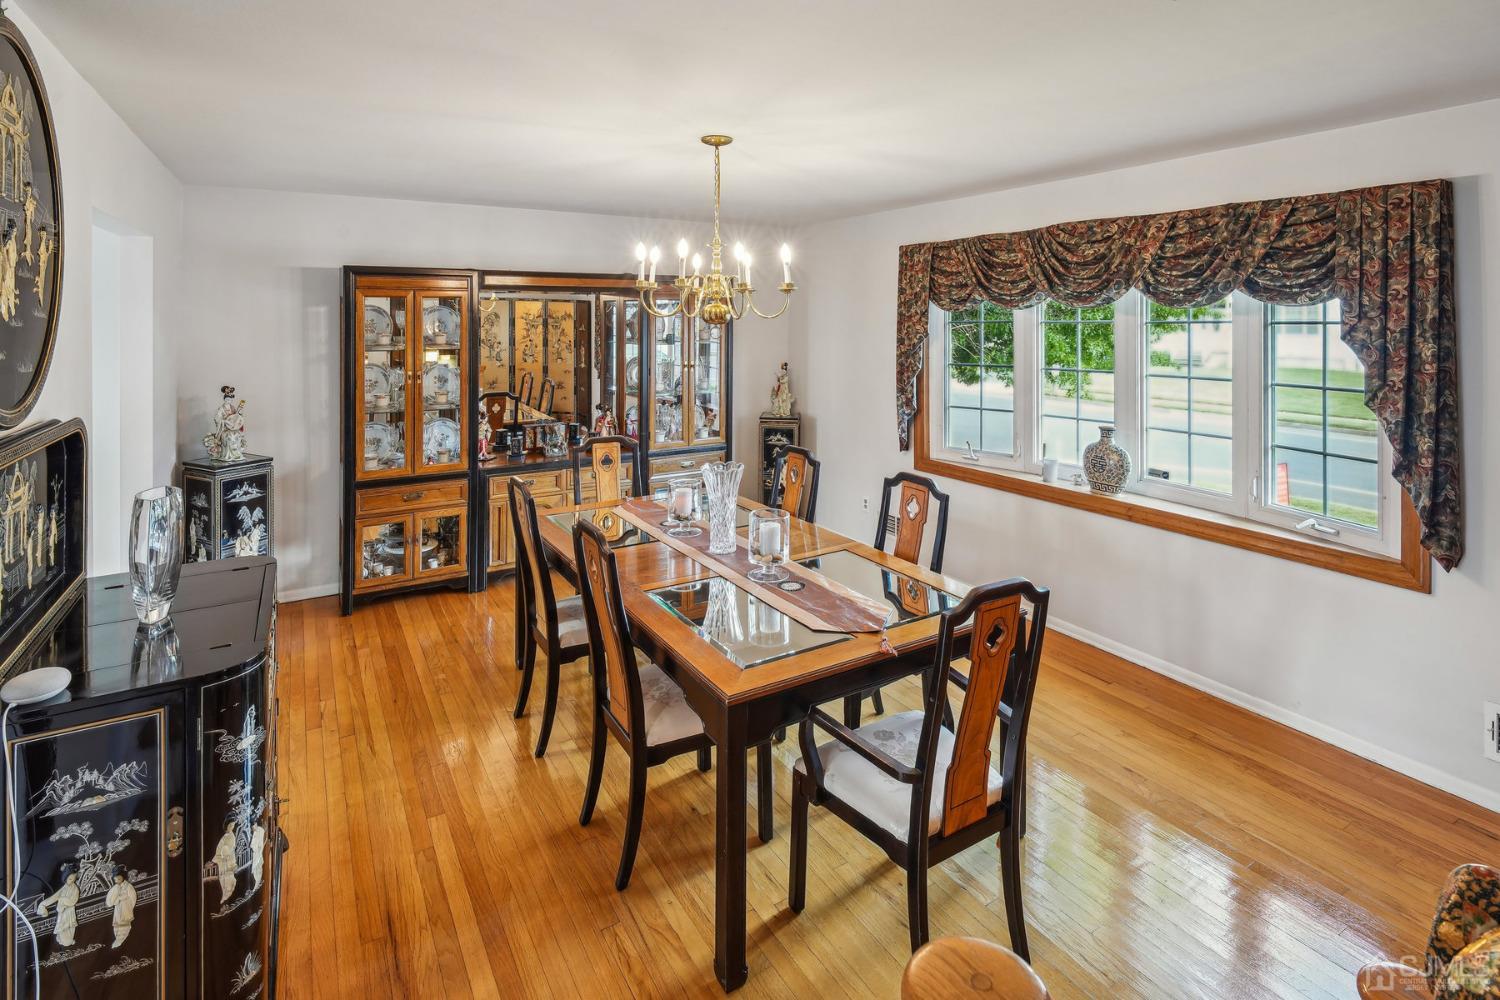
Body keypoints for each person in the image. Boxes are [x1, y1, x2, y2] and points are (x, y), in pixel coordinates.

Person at [37, 872, 80, 947]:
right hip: (62, 912)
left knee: (68, 928)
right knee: (62, 929)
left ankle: (68, 942)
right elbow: (55, 897)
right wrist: (43, 904)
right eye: (68, 878)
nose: (69, 880)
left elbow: (73, 901)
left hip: (69, 912)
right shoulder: (65, 887)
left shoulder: (75, 889)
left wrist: (63, 900)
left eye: (72, 879)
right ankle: (64, 941)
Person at [106, 869, 137, 948]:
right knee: (117, 926)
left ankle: (121, 940)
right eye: (115, 879)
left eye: (119, 878)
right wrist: (116, 900)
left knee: (125, 926)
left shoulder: (128, 886)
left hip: (126, 909)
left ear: (123, 877)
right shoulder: (115, 888)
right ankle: (118, 940)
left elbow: (133, 898)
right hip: (118, 910)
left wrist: (128, 907)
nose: (117, 880)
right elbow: (109, 901)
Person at [213, 820, 238, 904]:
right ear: (227, 826)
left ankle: (227, 895)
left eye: (233, 825)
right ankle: (224, 896)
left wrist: (232, 863)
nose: (231, 827)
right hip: (222, 861)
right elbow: (219, 848)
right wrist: (221, 855)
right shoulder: (224, 837)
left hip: (229, 860)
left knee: (230, 879)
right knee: (223, 878)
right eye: (230, 825)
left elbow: (232, 851)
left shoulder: (232, 836)